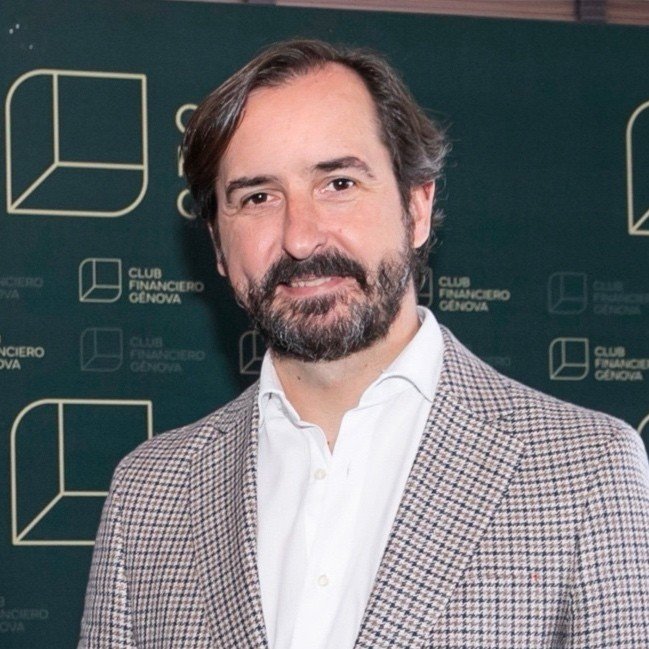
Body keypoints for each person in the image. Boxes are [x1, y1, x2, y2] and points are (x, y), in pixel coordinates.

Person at [79, 39, 649, 648]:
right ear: (218, 245)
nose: (300, 237)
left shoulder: (585, 471)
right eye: (258, 197)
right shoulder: (150, 494)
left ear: (417, 207)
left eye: (339, 183)